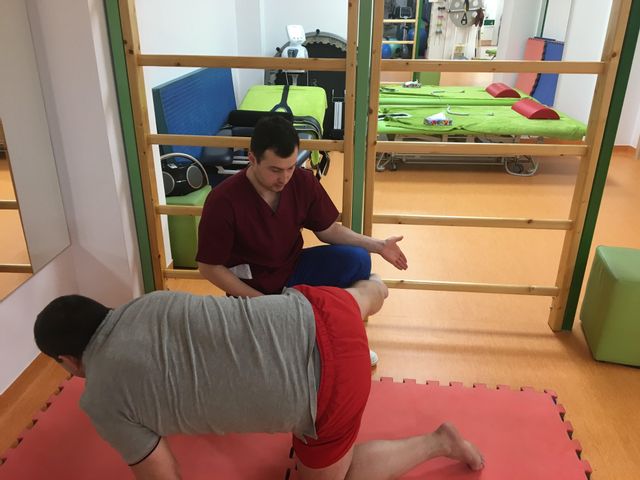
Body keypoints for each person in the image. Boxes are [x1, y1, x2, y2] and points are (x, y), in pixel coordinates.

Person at [34, 278, 484, 480]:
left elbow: (162, 474)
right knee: (357, 299)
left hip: (332, 386)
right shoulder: (145, 302)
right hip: (317, 307)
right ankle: (375, 288)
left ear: (68, 361)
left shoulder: (100, 397)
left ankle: (437, 443)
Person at [196, 115, 408, 366]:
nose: (284, 178)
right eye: (275, 170)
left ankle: (343, 337)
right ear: (252, 159)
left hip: (292, 270)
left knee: (358, 258)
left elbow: (328, 230)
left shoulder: (301, 181)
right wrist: (262, 302)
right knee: (268, 361)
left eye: (290, 167)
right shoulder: (223, 200)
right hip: (254, 287)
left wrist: (379, 246)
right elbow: (209, 267)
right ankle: (310, 330)